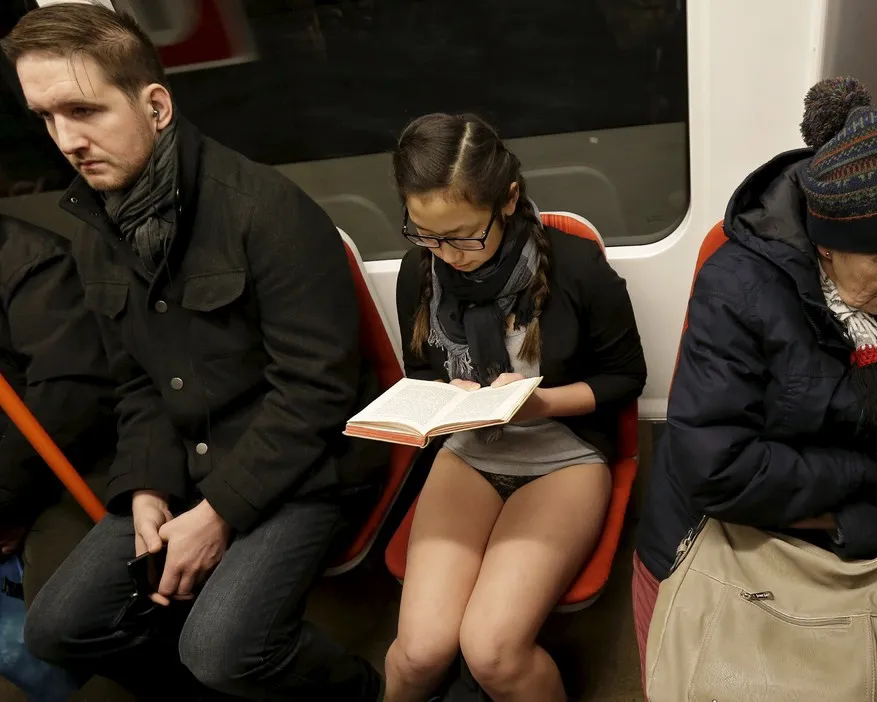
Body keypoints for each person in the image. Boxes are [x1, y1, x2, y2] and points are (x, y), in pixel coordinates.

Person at [2, 5, 386, 701]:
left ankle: (359, 693)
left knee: (221, 647)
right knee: (56, 628)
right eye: (46, 118)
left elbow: (315, 393)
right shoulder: (95, 222)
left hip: (304, 462)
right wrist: (146, 486)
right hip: (183, 458)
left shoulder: (267, 210)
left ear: (155, 105)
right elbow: (138, 383)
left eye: (83, 110)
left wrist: (218, 514)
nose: (66, 140)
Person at [633, 77, 877, 679]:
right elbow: (716, 468)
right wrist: (875, 482)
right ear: (825, 247)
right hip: (736, 539)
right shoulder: (742, 287)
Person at [385, 113, 646, 702]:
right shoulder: (418, 272)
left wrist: (542, 402)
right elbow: (422, 368)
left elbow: (626, 378)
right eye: (427, 235)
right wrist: (444, 399)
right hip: (469, 449)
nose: (446, 255)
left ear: (507, 200)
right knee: (418, 653)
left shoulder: (578, 268)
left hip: (563, 456)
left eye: (462, 235)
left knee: (493, 652)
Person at [0, 214, 116, 607]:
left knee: (64, 612)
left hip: (78, 464)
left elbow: (69, 406)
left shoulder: (37, 265)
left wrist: (5, 504)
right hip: (19, 466)